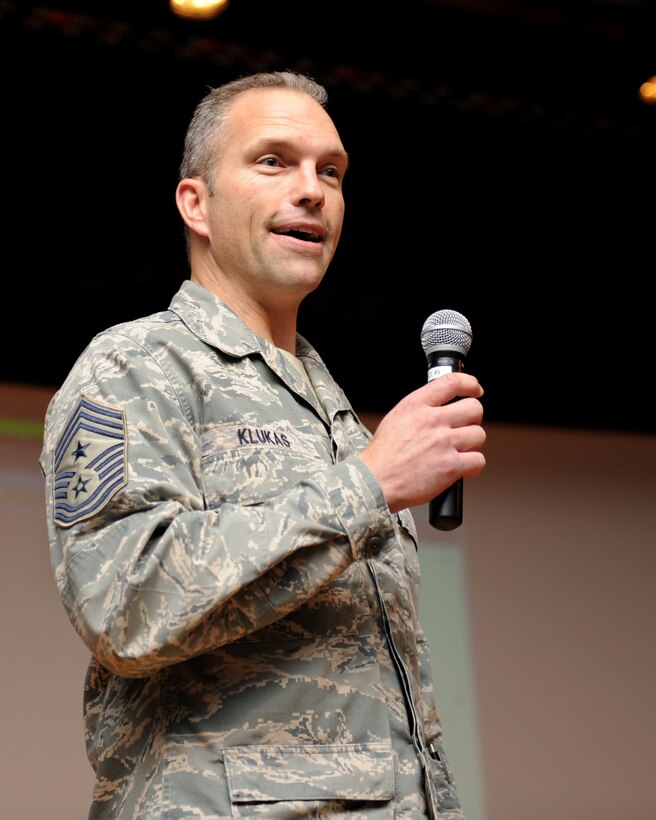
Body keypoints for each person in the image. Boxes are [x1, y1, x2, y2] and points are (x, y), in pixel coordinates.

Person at [40, 70, 486, 819]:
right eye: (274, 161)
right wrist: (367, 485)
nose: (313, 189)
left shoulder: (333, 407)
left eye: (332, 171)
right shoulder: (136, 365)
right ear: (197, 204)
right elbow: (124, 605)